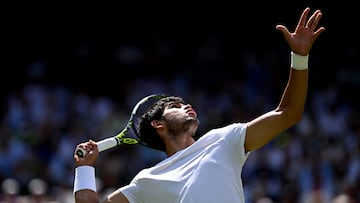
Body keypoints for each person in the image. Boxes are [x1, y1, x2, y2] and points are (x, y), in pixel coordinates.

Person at [73, 7, 325, 203]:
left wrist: (299, 57)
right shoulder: (145, 181)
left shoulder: (225, 138)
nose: (186, 106)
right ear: (158, 123)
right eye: (175, 105)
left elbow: (288, 114)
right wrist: (84, 169)